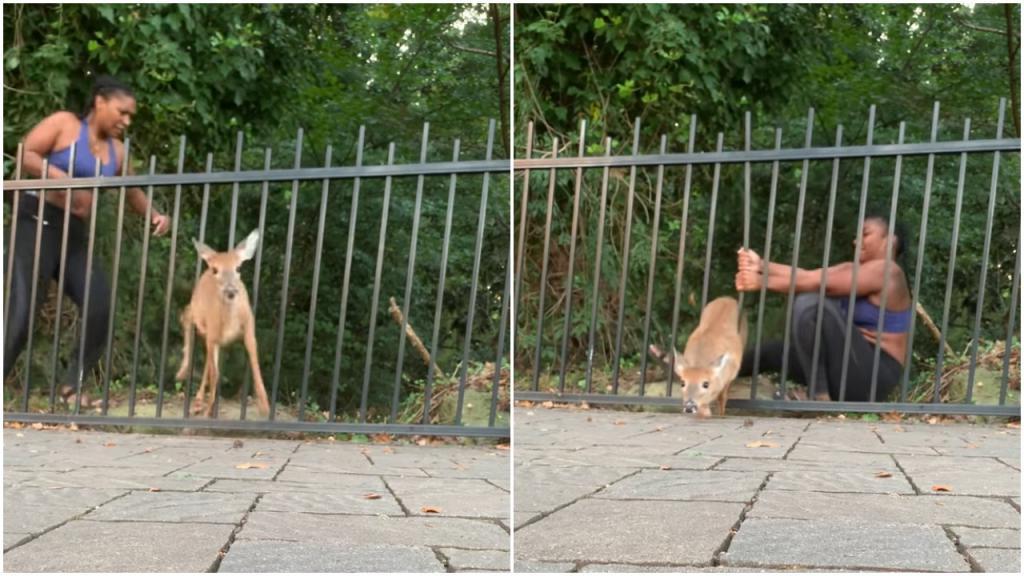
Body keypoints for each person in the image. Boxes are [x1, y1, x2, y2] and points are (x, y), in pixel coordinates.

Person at [4, 75, 170, 406]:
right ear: (100, 102)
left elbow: (132, 189)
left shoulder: (117, 152)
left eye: (130, 116)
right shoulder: (65, 125)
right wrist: (60, 178)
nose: (127, 121)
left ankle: (72, 388)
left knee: (99, 303)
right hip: (36, 220)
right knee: (21, 312)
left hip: (73, 233)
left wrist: (154, 214)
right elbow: (26, 153)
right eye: (122, 112)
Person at [734, 212, 912, 402]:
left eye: (865, 234)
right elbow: (809, 276)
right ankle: (709, 378)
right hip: (842, 369)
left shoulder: (890, 272)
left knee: (811, 304)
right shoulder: (854, 270)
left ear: (890, 241)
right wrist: (761, 265)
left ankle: (819, 398)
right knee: (770, 352)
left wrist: (762, 281)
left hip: (874, 377)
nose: (856, 241)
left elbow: (822, 285)